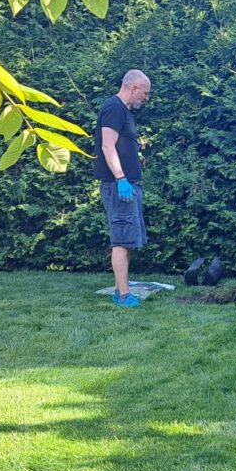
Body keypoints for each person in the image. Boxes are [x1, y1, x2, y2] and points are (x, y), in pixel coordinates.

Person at [92, 69, 152, 307]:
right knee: (121, 239)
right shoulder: (114, 108)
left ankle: (121, 290)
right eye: (145, 93)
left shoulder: (123, 111)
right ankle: (124, 295)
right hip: (119, 186)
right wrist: (120, 178)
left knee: (128, 239)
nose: (146, 99)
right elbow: (107, 146)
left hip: (129, 185)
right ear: (134, 87)